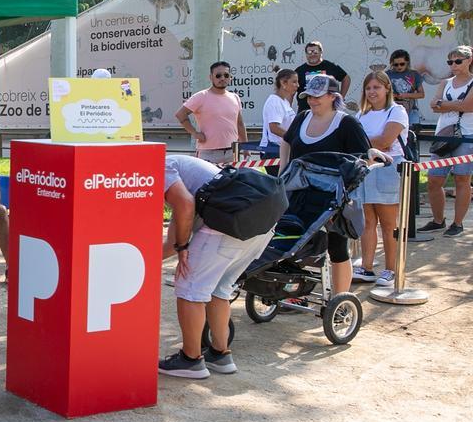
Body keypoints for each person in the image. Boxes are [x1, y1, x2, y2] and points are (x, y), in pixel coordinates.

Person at [158, 155, 274, 379]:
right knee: (218, 288)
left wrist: (183, 247)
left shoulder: (159, 166)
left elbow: (185, 205)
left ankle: (190, 360)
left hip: (227, 225)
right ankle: (220, 354)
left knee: (189, 288)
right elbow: (174, 239)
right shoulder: (183, 168)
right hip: (258, 225)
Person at [279, 74, 373, 294]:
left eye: (317, 96)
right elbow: (286, 140)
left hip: (332, 197)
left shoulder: (346, 123)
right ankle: (295, 294)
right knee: (295, 242)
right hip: (299, 194)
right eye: (309, 96)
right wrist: (284, 170)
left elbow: (362, 158)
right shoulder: (302, 117)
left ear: (333, 96)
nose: (312, 100)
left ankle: (340, 297)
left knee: (337, 248)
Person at [351, 71, 409, 286]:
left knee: (387, 222)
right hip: (365, 170)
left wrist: (359, 144)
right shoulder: (360, 115)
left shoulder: (397, 111)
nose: (372, 92)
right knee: (367, 222)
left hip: (387, 169)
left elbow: (385, 141)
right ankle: (366, 267)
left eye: (376, 87)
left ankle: (391, 269)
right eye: (368, 88)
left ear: (387, 89)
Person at [418, 45, 473, 238]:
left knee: (462, 179)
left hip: (466, 136)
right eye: (450, 62)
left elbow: (469, 106)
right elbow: (434, 104)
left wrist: (445, 105)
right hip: (442, 135)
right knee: (434, 179)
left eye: (458, 61)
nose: (454, 65)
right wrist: (453, 105)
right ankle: (438, 220)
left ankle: (457, 224)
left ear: (469, 61)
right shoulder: (446, 82)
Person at [175, 60, 246, 164]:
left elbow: (239, 123)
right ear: (211, 77)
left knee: (233, 180)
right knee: (208, 180)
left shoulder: (235, 97)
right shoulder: (201, 96)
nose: (222, 78)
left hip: (233, 150)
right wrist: (194, 133)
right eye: (218, 75)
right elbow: (180, 114)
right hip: (208, 152)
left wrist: (245, 146)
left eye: (226, 75)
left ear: (230, 77)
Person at [260, 68, 298, 176]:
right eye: (294, 82)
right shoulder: (274, 101)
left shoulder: (284, 101)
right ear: (283, 83)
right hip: (274, 151)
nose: (297, 85)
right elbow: (274, 128)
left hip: (283, 149)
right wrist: (295, 139)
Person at [294, 40, 350, 111]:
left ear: (321, 52)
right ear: (306, 54)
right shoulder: (299, 70)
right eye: (309, 52)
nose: (312, 54)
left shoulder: (330, 66)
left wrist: (341, 97)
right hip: (305, 111)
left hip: (328, 111)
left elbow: (346, 78)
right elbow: (291, 90)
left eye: (315, 52)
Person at [387, 49, 426, 128]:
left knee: (412, 133)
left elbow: (421, 94)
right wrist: (393, 95)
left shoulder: (414, 74)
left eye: (402, 64)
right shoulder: (387, 74)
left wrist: (406, 95)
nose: (399, 67)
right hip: (392, 109)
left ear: (407, 63)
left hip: (411, 110)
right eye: (396, 65)